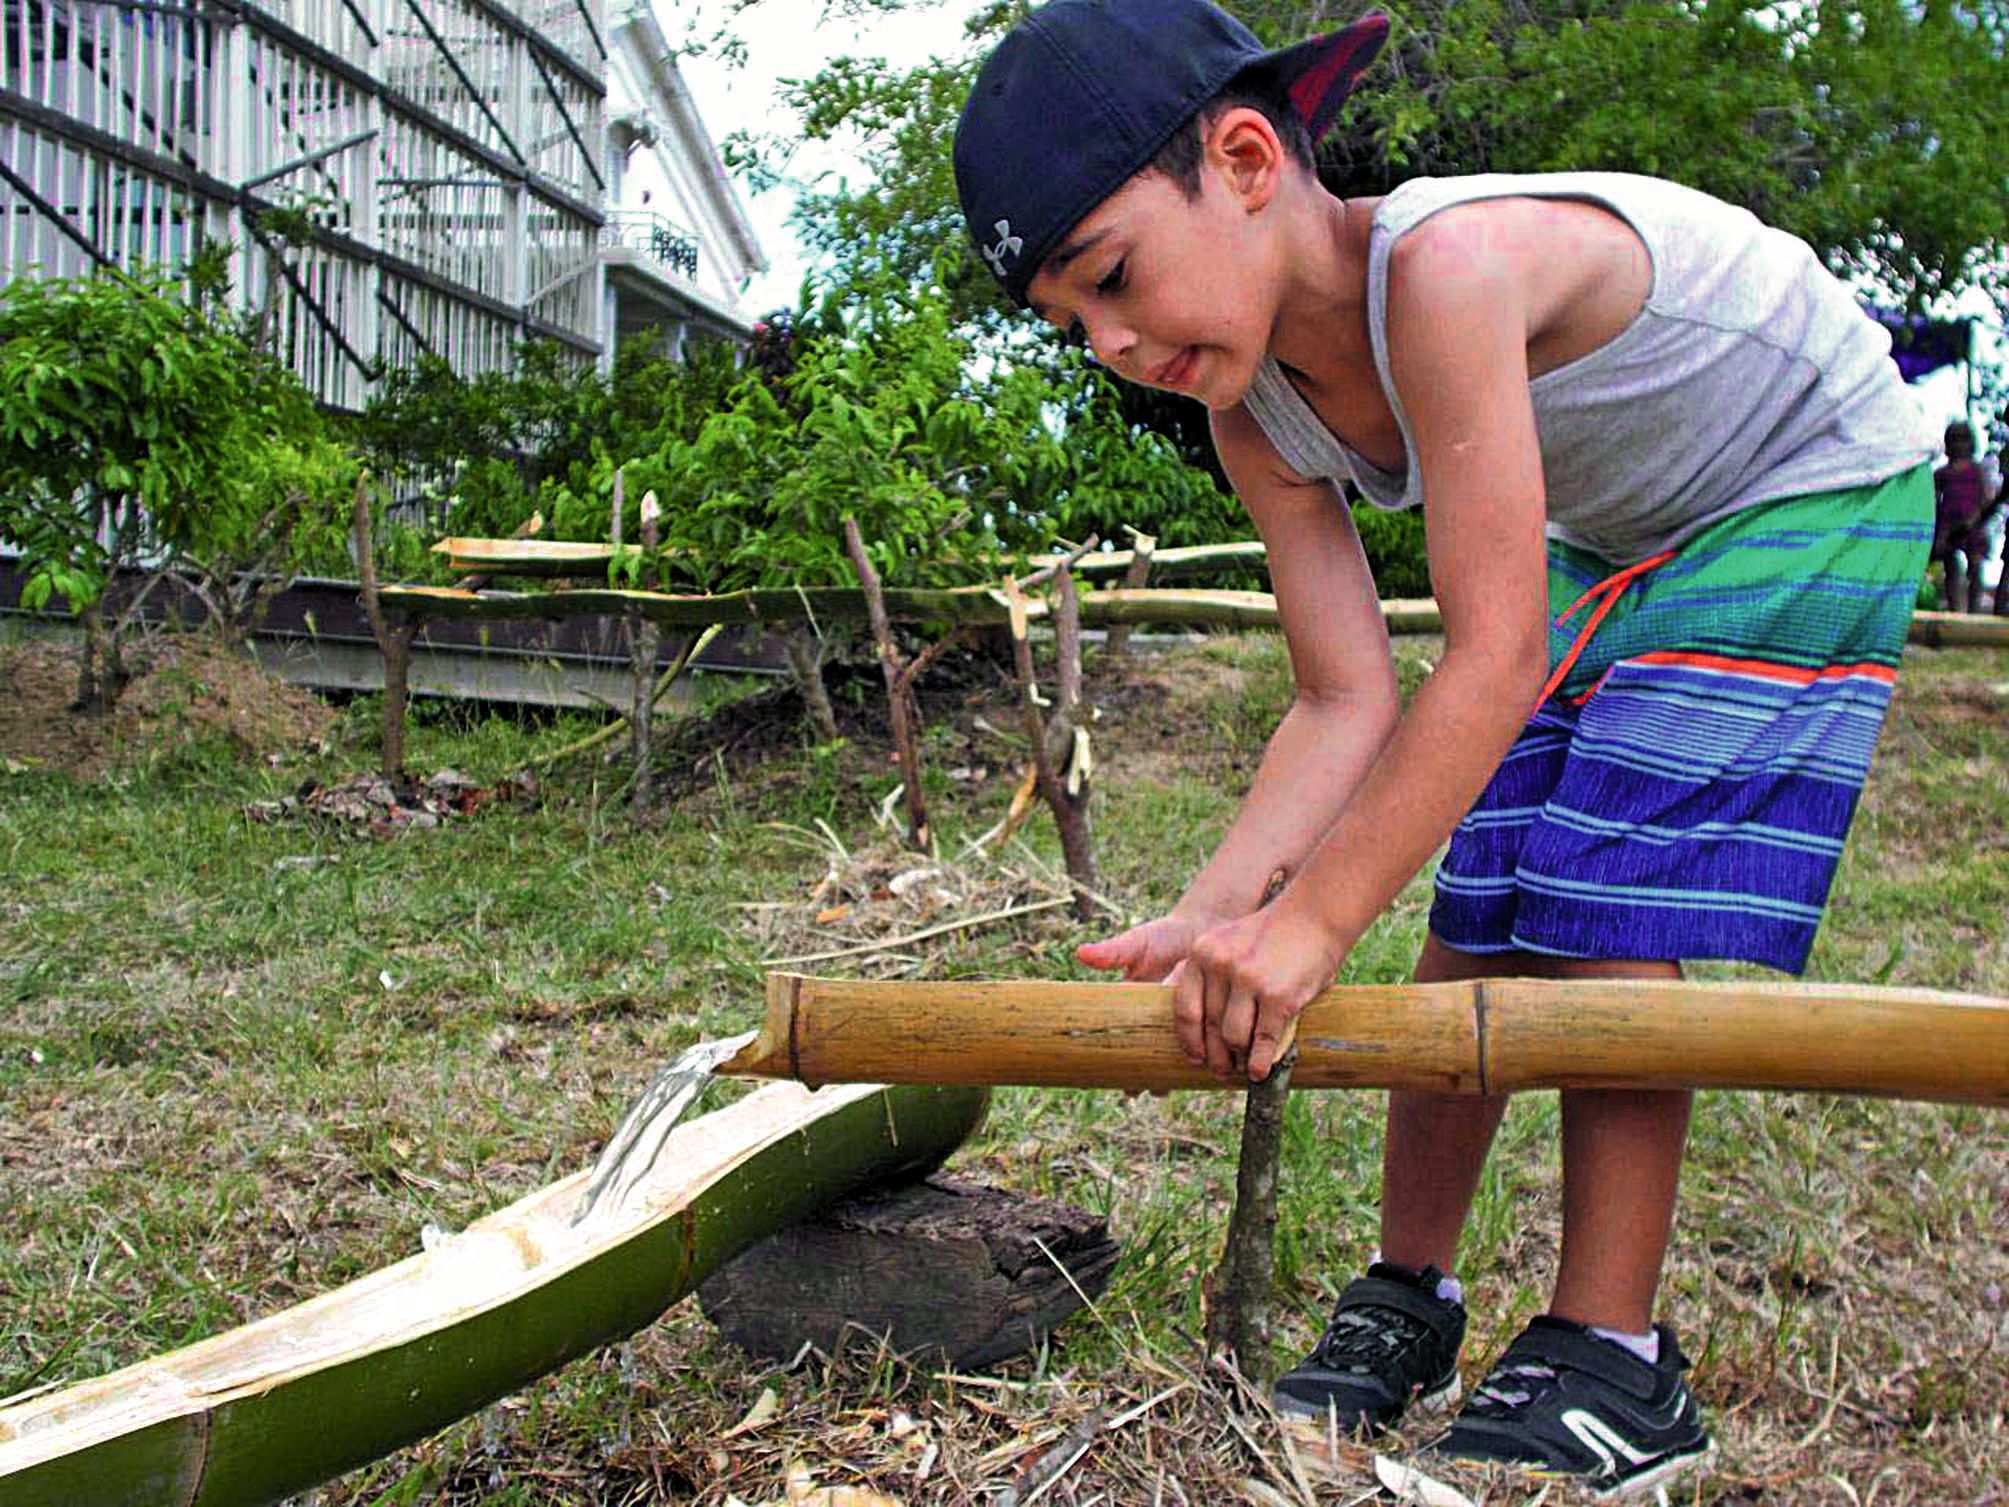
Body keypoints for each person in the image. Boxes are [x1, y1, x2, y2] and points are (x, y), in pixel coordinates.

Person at [953, 0, 1939, 1497]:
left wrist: (1313, 920)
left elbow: (1489, 656)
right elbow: (1342, 696)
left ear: (1242, 160)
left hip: (1807, 468)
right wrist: (1229, 907)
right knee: (1479, 899)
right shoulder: (1256, 413)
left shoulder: (1449, 270)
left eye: (1113, 278)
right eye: (1072, 325)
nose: (1111, 343)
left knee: (1606, 888)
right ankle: (1409, 1288)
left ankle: (1616, 1353)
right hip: (1621, 531)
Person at [1932, 420, 1991, 612]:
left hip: (1973, 525)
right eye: (1954, 439)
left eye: (1964, 439)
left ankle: (1974, 608)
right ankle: (1955, 606)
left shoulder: (1977, 471)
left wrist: (1976, 517)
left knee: (1975, 565)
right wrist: (1940, 531)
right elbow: (1933, 500)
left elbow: (1985, 497)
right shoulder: (1942, 473)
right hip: (1949, 526)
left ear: (1971, 442)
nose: (1959, 444)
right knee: (1951, 566)